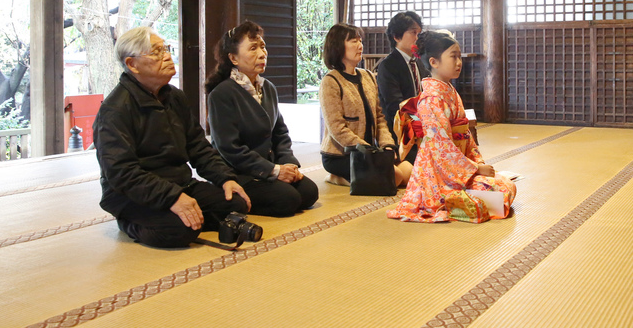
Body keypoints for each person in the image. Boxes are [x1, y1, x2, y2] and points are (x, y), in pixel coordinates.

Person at [94, 27, 253, 249]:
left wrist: (225, 178)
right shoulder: (115, 109)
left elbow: (198, 147)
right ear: (132, 64)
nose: (167, 56)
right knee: (179, 231)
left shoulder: (174, 97)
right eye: (157, 52)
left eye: (166, 49)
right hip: (131, 195)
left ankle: (190, 216)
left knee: (235, 203)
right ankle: (129, 223)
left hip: (179, 184)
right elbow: (122, 173)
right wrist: (172, 198)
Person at [388, 30, 516, 223]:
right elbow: (442, 148)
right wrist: (475, 169)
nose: (459, 62)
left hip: (457, 168)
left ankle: (468, 203)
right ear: (434, 62)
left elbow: (465, 135)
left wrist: (478, 163)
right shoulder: (431, 100)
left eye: (459, 57)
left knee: (505, 185)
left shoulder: (450, 92)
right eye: (453, 57)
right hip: (437, 175)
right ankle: (454, 202)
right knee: (498, 188)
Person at [206, 21, 319, 217]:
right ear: (233, 58)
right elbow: (229, 149)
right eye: (253, 48)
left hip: (271, 166)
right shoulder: (221, 94)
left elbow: (280, 132)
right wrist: (273, 170)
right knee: (288, 200)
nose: (262, 53)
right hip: (240, 172)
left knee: (309, 193)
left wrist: (288, 163)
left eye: (263, 46)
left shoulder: (268, 88)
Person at [318, 23, 413, 187]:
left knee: (410, 172)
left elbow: (380, 118)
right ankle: (338, 177)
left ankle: (358, 178)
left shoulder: (367, 76)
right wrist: (370, 151)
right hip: (343, 154)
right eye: (353, 41)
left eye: (360, 40)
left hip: (371, 151)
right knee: (395, 176)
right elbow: (337, 128)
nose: (360, 45)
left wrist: (387, 146)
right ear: (338, 46)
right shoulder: (330, 81)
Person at [377, 11, 423, 156]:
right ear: (396, 36)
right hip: (401, 130)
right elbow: (395, 106)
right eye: (413, 33)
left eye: (419, 33)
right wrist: (420, 123)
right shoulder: (388, 65)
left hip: (422, 125)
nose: (417, 38)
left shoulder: (420, 62)